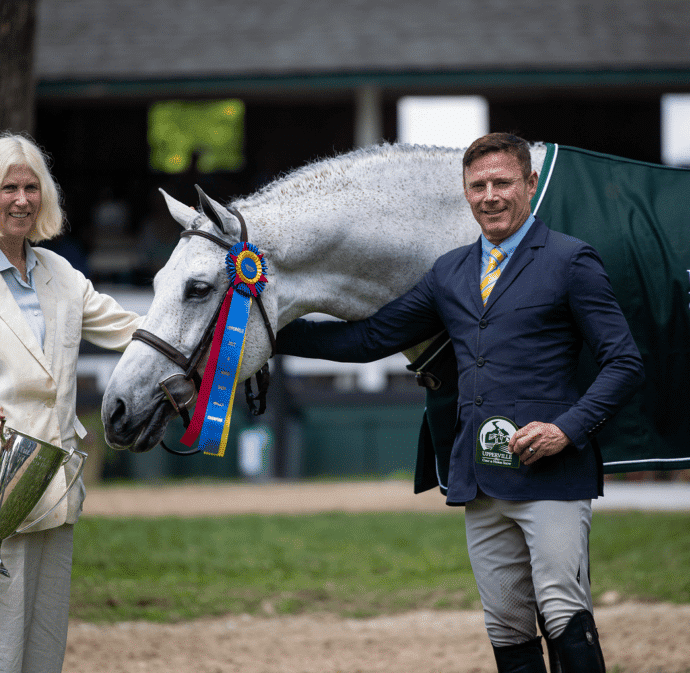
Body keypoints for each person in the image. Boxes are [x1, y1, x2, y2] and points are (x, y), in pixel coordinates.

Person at [275, 133, 644, 672]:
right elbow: (368, 339)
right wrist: (266, 331)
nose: (490, 195)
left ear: (530, 185)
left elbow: (625, 362)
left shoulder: (571, 260)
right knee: (507, 628)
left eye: (503, 182)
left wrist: (566, 430)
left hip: (554, 475)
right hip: (479, 476)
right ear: (466, 194)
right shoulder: (449, 271)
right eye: (478, 186)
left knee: (565, 615)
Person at [0, 132, 143, 673]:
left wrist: (212, 330)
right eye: (9, 187)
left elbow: (133, 330)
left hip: (57, 496)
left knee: (43, 659)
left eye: (31, 187)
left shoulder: (63, 276)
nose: (21, 199)